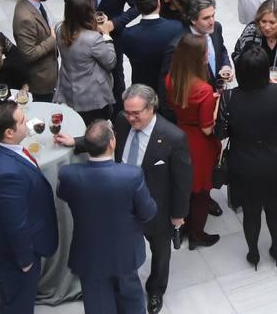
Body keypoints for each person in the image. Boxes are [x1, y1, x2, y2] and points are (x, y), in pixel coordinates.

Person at [54, 85, 191, 314]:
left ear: (152, 108)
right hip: (122, 206)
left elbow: (182, 181)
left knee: (160, 252)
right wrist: (77, 142)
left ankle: (156, 289)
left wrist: (179, 214)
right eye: (127, 112)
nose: (130, 118)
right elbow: (102, 140)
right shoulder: (121, 119)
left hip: (155, 208)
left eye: (136, 113)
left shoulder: (173, 137)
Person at [56, 119, 157, 314]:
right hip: (124, 252)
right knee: (131, 300)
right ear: (112, 142)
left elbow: (63, 195)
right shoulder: (131, 175)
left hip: (89, 253)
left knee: (96, 303)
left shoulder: (69, 174)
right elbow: (148, 212)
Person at [0, 100, 58, 314]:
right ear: (9, 132)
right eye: (22, 121)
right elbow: (16, 224)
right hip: (13, 254)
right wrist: (25, 260)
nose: (27, 122)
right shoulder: (6, 174)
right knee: (19, 302)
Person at [226, 46, 277, 268]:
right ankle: (276, 247)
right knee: (274, 208)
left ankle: (253, 252)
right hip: (275, 160)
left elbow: (221, 132)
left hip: (244, 163)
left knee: (251, 212)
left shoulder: (229, 98)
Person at [164, 33, 222, 248]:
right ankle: (197, 234)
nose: (208, 54)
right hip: (199, 142)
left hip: (180, 133)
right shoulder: (204, 90)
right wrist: (216, 105)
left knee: (185, 187)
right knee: (201, 193)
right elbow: (207, 128)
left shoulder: (171, 79)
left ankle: (185, 225)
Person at [67, 0, 137, 109]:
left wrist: (114, 23)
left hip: (112, 36)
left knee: (116, 76)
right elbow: (69, 0)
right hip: (83, 35)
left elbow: (137, 7)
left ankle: (118, 114)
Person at [56, 0, 117, 123]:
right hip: (93, 96)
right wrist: (106, 35)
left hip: (69, 89)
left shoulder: (59, 29)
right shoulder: (93, 39)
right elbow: (111, 62)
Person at [165, 0, 234, 89]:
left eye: (213, 16)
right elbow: (169, 82)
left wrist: (226, 66)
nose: (212, 21)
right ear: (193, 19)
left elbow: (221, 50)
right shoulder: (178, 45)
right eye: (206, 18)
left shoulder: (216, 28)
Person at [120, 0, 181, 89]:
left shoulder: (128, 35)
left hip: (142, 87)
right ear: (158, 3)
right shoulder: (177, 28)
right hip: (169, 86)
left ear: (138, 8)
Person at [13, 0, 58, 102]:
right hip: (41, 79)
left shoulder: (28, 0)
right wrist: (53, 39)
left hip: (49, 71)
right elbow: (29, 54)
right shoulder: (25, 18)